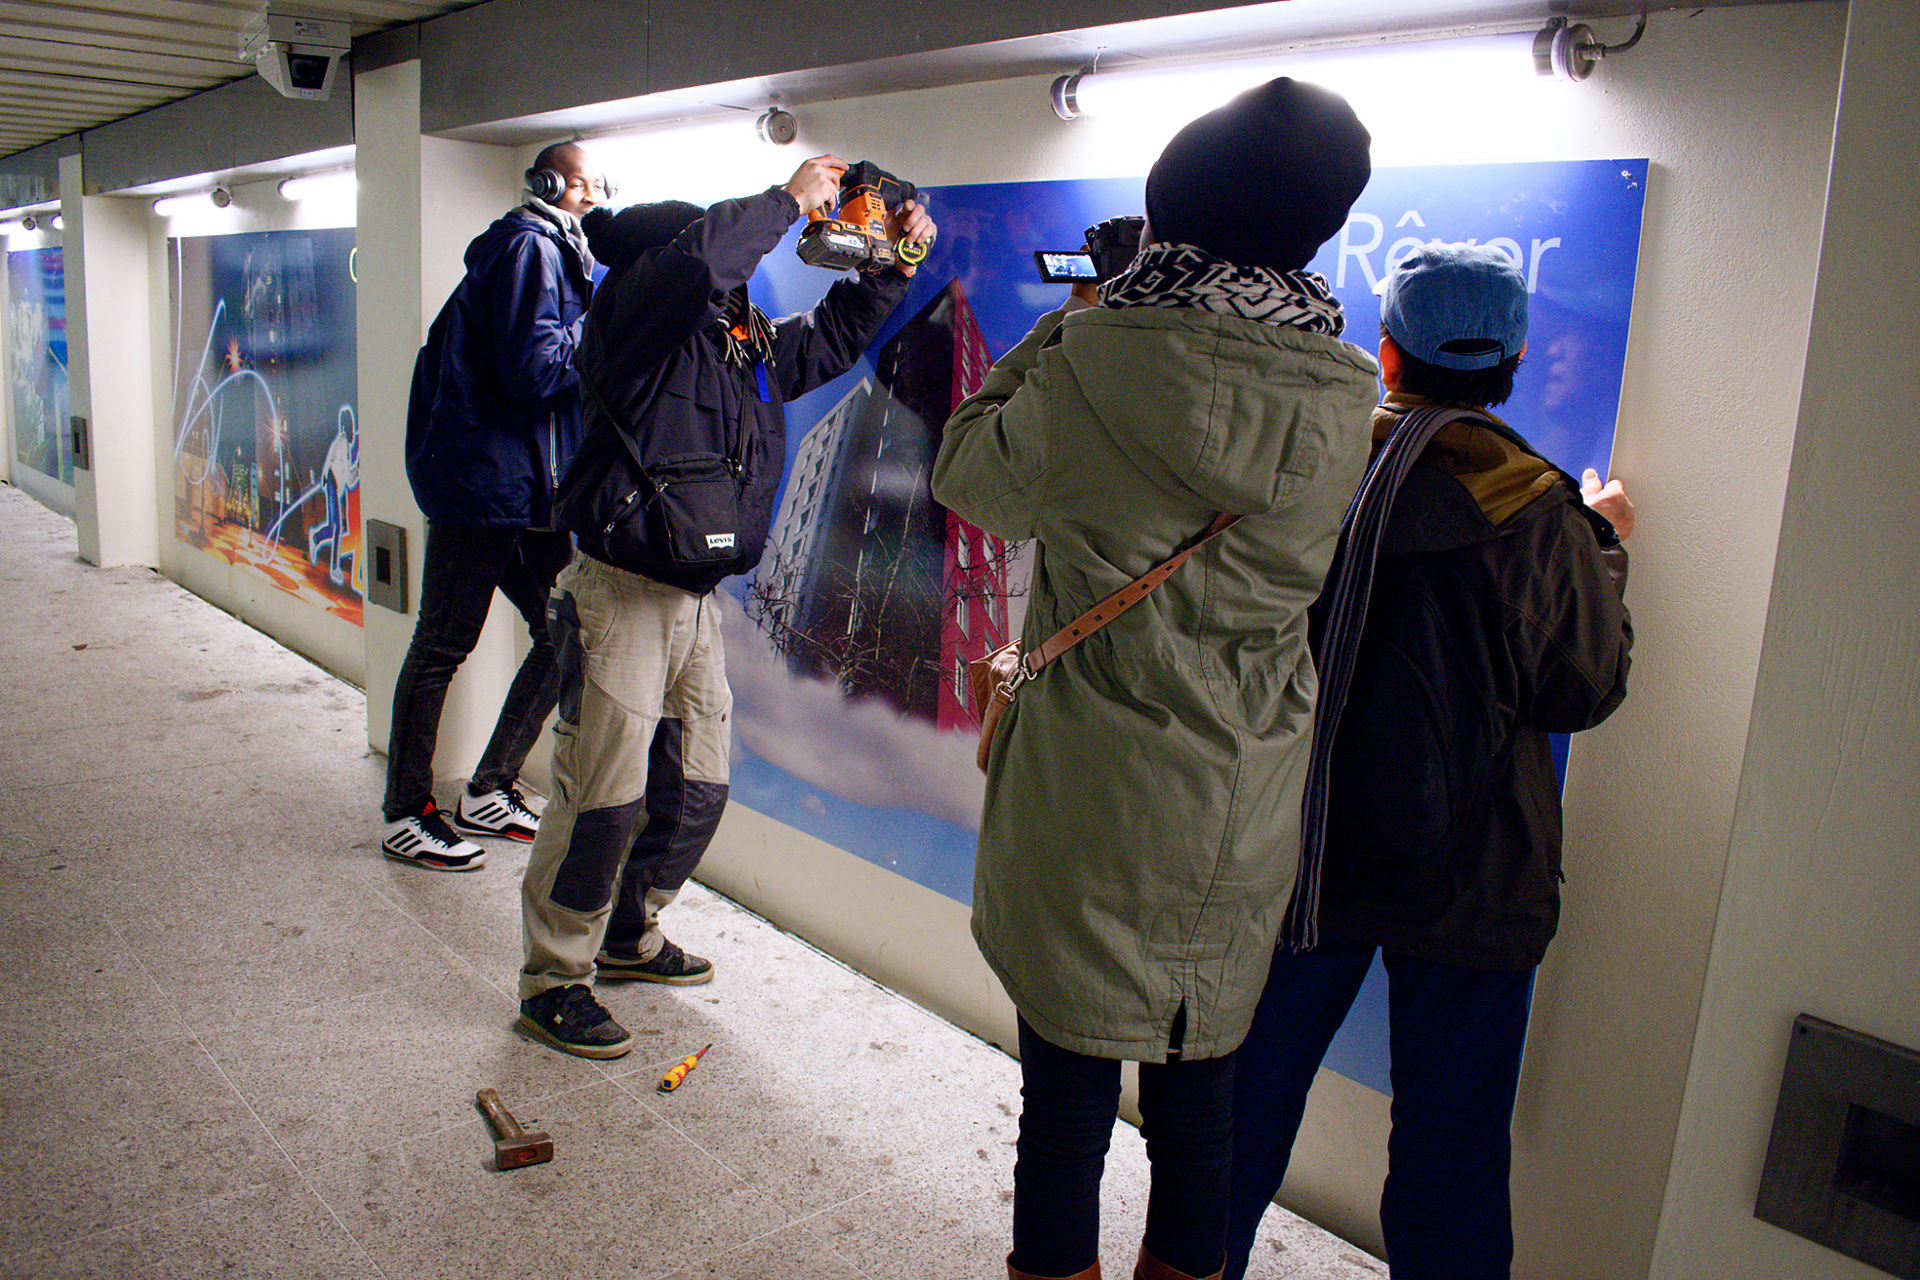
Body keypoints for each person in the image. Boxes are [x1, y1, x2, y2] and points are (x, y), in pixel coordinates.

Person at [931, 80, 1378, 1280]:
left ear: (1166, 216)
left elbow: (968, 470)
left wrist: (1080, 314)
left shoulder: (1098, 361)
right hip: (1242, 796)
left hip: (1090, 795)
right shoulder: (1345, 397)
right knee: (1201, 1118)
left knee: (1066, 1114)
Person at [1222, 244, 1635, 1280]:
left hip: (1297, 857)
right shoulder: (1546, 515)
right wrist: (1604, 548)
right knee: (1452, 1159)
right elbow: (1581, 691)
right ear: (1517, 356)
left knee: (1233, 1120)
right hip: (1475, 887)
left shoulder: (1309, 472)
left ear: (1387, 348)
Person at [515, 155, 936, 1056]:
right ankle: (555, 976)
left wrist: (891, 267)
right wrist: (788, 201)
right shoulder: (634, 316)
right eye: (707, 251)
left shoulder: (729, 336)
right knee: (601, 796)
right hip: (619, 595)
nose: (725, 273)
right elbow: (696, 268)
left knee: (695, 783)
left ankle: (630, 933)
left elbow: (823, 344)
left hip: (697, 600)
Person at [379, 141, 607, 871]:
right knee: (444, 643)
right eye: (588, 180)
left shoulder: (559, 250)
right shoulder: (527, 250)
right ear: (552, 184)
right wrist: (607, 334)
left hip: (529, 489)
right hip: (484, 487)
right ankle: (405, 812)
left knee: (562, 631)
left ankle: (488, 789)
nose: (600, 193)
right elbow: (534, 368)